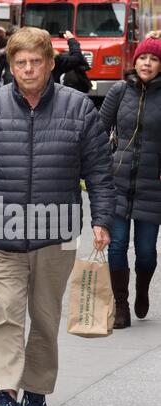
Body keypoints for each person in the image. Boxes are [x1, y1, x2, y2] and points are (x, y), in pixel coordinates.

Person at [0, 26, 115, 406]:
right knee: (4, 315)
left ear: (49, 64)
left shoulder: (78, 109)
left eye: (35, 61)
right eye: (20, 62)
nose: (28, 69)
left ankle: (37, 390)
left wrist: (101, 220)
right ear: (11, 65)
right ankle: (6, 397)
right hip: (2, 234)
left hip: (55, 234)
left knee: (44, 318)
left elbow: (98, 170)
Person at [100, 37, 161, 329]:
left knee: (147, 252)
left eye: (154, 59)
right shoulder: (119, 91)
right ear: (134, 61)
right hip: (118, 183)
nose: (147, 63)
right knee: (116, 247)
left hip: (153, 185)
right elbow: (99, 129)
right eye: (143, 58)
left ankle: (142, 289)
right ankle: (120, 304)